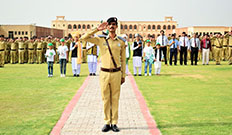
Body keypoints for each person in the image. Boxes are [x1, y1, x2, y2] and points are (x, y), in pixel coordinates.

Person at [81, 17, 126, 132]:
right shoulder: (101, 40)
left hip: (116, 73)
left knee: (115, 99)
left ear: (116, 26)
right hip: (104, 73)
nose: (111, 26)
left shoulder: (121, 42)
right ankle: (107, 122)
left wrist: (123, 75)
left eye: (114, 24)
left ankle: (114, 122)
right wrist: (97, 29)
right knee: (105, 98)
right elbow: (83, 38)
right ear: (107, 26)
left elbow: (123, 60)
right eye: (110, 24)